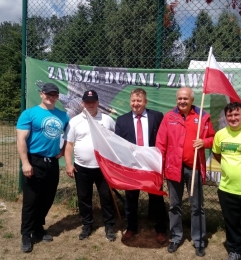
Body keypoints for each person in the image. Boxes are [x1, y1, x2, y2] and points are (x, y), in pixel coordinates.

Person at [156, 87, 215, 257]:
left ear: (192, 100)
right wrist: (160, 168)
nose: (182, 101)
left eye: (185, 98)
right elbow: (161, 143)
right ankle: (175, 237)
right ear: (177, 99)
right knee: (174, 205)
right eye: (180, 98)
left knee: (197, 207)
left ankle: (199, 241)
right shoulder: (169, 117)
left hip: (194, 167)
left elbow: (213, 138)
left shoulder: (203, 116)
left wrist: (204, 142)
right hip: (173, 168)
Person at [16, 83, 70, 253]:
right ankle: (26, 234)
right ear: (41, 94)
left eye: (54, 94)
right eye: (48, 94)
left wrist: (61, 152)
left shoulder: (63, 116)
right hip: (34, 161)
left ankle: (38, 229)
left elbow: (69, 138)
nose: (51, 97)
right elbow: (21, 140)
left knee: (47, 198)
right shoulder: (29, 114)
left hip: (52, 163)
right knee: (31, 200)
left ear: (58, 97)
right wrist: (25, 163)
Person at [115, 88, 167, 244]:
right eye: (133, 101)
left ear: (145, 102)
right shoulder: (122, 120)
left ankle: (161, 229)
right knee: (131, 199)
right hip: (132, 166)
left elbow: (163, 138)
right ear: (130, 102)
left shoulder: (157, 116)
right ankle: (131, 228)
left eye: (139, 101)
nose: (135, 104)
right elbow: (118, 144)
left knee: (156, 198)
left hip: (151, 165)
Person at [63, 90, 116, 242]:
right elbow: (69, 145)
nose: (90, 104)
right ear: (82, 104)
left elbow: (115, 141)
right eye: (87, 102)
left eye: (93, 102)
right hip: (82, 167)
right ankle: (87, 225)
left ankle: (109, 225)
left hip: (103, 168)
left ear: (98, 103)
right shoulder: (75, 121)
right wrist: (68, 164)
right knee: (84, 197)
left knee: (106, 197)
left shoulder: (107, 120)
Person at [212, 102, 241, 260]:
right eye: (229, 115)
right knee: (232, 224)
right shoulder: (220, 135)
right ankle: (235, 251)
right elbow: (217, 154)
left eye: (236, 114)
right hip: (227, 189)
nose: (233, 118)